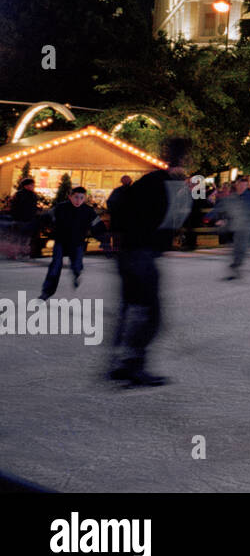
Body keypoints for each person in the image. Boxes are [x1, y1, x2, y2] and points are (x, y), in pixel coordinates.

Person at [108, 137, 193, 387]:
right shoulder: (174, 185)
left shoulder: (148, 180)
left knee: (130, 308)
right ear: (184, 159)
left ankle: (119, 363)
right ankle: (135, 365)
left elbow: (118, 206)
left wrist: (121, 236)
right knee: (151, 314)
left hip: (127, 253)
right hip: (143, 254)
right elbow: (178, 218)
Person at [40, 186, 99, 299]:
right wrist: (42, 224)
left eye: (81, 198)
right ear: (70, 197)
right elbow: (46, 217)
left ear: (85, 198)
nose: (78, 200)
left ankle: (76, 273)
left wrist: (103, 239)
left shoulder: (88, 211)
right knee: (55, 267)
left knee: (77, 265)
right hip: (61, 241)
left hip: (77, 242)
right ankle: (47, 292)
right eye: (76, 197)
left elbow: (98, 226)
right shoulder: (60, 208)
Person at [215, 176, 250, 280]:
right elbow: (225, 208)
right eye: (239, 184)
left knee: (241, 246)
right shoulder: (233, 197)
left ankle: (237, 264)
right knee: (236, 246)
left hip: (246, 225)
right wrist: (221, 218)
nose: (241, 186)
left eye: (244, 185)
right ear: (237, 185)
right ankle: (237, 264)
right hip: (235, 225)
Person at [8, 177, 41, 260]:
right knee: (18, 237)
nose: (33, 186)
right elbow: (14, 207)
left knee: (25, 238)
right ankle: (16, 253)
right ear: (26, 186)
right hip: (20, 220)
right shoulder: (20, 194)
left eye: (33, 184)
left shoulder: (33, 195)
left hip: (28, 220)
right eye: (31, 185)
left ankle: (23, 253)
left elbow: (33, 207)